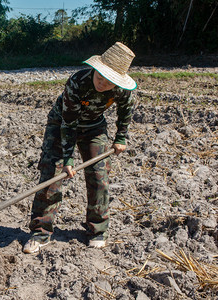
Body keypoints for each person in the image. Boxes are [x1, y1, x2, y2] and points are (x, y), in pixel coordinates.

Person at [23, 42, 137, 253]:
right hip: (62, 125)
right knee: (52, 174)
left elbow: (126, 111)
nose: (102, 83)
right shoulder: (77, 82)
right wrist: (67, 160)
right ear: (95, 69)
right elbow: (69, 124)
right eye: (100, 77)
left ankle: (98, 230)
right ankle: (41, 232)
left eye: (109, 81)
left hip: (94, 128)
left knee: (98, 174)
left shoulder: (122, 91)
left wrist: (121, 137)